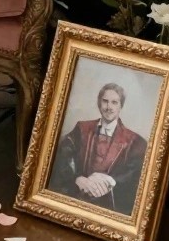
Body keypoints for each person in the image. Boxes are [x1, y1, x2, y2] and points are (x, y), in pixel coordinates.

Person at [49, 82, 147, 215]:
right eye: (105, 101)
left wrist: (110, 181)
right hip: (77, 198)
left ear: (121, 106)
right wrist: (78, 179)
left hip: (108, 209)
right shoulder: (81, 128)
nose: (109, 107)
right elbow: (62, 157)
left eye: (114, 102)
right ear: (99, 103)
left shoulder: (135, 141)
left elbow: (136, 174)